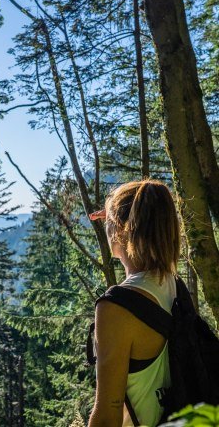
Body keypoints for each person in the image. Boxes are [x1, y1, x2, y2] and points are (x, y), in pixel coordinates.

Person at [87, 180, 180, 427]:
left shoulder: (117, 307)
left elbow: (108, 413)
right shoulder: (172, 285)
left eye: (109, 221)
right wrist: (116, 215)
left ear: (120, 230)